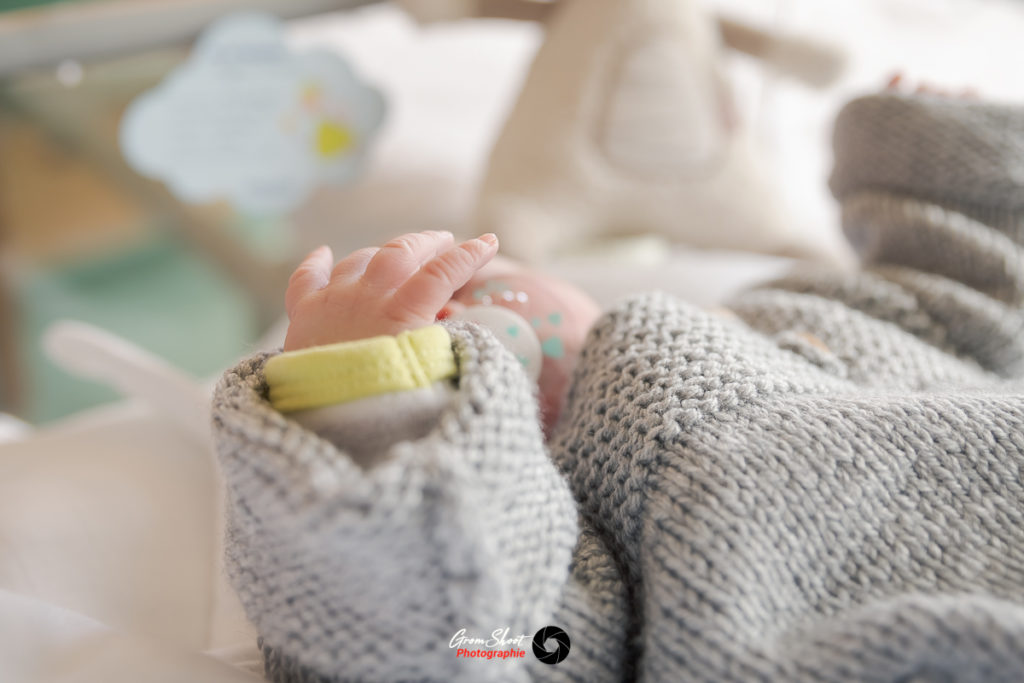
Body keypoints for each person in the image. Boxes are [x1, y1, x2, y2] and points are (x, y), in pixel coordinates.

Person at [212, 82, 1024, 682]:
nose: (464, 323)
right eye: (439, 352)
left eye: (478, 286)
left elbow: (972, 296)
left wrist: (933, 155)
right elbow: (464, 645)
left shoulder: (789, 316)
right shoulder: (568, 550)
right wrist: (363, 397)